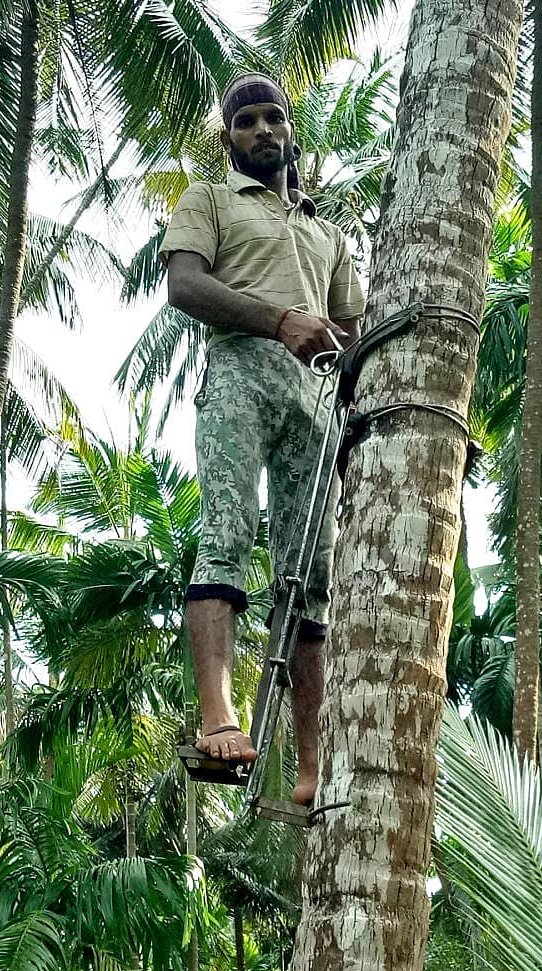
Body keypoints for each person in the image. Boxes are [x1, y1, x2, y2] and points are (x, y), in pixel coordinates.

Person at [160, 72, 365, 805]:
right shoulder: (209, 200)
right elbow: (184, 286)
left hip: (317, 397)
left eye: (272, 117)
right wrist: (279, 321)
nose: (261, 130)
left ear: (290, 131)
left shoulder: (326, 232)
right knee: (227, 532)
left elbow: (352, 334)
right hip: (241, 371)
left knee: (311, 573)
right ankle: (219, 719)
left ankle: (311, 765)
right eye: (245, 121)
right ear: (230, 138)